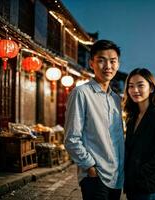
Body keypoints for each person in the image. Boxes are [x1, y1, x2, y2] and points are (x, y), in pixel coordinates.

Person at [64, 40, 124, 200]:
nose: (108, 66)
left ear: (118, 64)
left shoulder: (116, 99)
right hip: (95, 176)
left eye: (113, 61)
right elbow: (71, 138)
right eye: (101, 60)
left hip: (117, 177)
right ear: (92, 63)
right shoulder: (81, 93)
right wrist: (90, 167)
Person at [123, 68, 155, 200]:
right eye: (131, 86)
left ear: (151, 88)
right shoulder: (132, 117)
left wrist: (140, 173)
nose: (135, 90)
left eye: (140, 85)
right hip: (132, 185)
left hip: (149, 186)